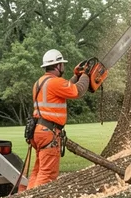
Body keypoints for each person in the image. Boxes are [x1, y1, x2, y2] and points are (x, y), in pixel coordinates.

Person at [26, 49, 89, 189]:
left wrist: (76, 76)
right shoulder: (55, 82)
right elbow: (78, 91)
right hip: (49, 132)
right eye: (62, 64)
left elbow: (66, 87)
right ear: (58, 66)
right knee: (48, 174)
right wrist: (86, 75)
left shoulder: (40, 82)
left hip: (38, 131)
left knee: (38, 171)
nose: (63, 67)